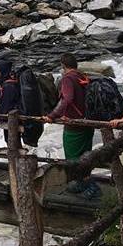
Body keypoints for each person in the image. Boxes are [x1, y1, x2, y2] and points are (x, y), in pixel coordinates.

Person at [44, 53, 100, 199]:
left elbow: (67, 99)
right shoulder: (82, 76)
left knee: (73, 158)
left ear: (63, 65)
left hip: (74, 125)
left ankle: (91, 187)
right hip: (87, 122)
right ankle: (82, 184)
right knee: (85, 155)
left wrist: (52, 115)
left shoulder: (67, 78)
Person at [0, 60, 21, 144]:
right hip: (11, 119)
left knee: (12, 142)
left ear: (2, 71)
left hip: (12, 120)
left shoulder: (8, 86)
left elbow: (5, 106)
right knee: (12, 141)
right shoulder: (9, 83)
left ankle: (16, 157)